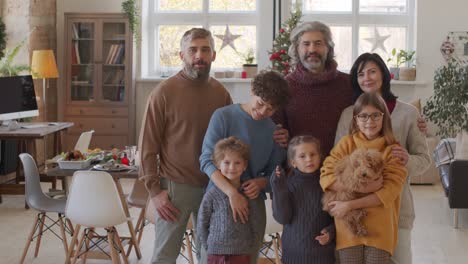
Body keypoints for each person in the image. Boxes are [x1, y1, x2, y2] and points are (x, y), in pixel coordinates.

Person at [138, 28, 232, 264]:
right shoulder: (163, 93)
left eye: (205, 49)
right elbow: (148, 145)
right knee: (164, 255)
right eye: (193, 50)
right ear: (181, 55)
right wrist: (155, 192)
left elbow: (231, 142)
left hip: (214, 185)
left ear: (213, 55)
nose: (199, 55)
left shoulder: (221, 93)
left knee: (210, 253)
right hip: (175, 188)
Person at [334, 53, 430, 264]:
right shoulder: (348, 114)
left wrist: (407, 160)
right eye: (361, 74)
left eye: (372, 71)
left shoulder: (408, 113)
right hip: (355, 209)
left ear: (384, 75)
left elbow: (424, 159)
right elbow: (336, 162)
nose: (366, 78)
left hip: (397, 207)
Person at [199, 70, 289, 263]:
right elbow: (206, 161)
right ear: (252, 90)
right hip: (219, 198)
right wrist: (232, 193)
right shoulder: (223, 116)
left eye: (271, 108)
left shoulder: (273, 131)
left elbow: (276, 172)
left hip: (252, 207)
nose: (264, 111)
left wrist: (262, 182)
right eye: (261, 103)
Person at [320, 92, 407, 264]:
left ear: (384, 118)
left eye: (376, 115)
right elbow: (325, 176)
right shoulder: (346, 144)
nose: (370, 121)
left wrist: (349, 205)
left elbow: (390, 191)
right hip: (348, 229)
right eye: (364, 116)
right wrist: (362, 188)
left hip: (380, 230)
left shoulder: (392, 149)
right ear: (356, 119)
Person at [272, 21, 354, 155]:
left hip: (343, 167)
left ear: (328, 48)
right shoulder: (284, 87)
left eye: (318, 43)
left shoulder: (348, 84)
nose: (312, 50)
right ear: (297, 49)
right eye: (306, 44)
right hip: (300, 169)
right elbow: (276, 131)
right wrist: (280, 135)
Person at [271, 135, 335, 264]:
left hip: (323, 255)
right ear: (293, 162)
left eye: (313, 154)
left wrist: (331, 233)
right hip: (293, 254)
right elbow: (282, 218)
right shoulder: (287, 185)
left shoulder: (328, 184)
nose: (309, 159)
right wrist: (278, 188)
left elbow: (338, 218)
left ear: (320, 157)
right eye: (302, 156)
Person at [197, 136, 259, 264]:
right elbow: (202, 222)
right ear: (218, 164)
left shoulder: (248, 192)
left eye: (237, 163)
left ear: (244, 166)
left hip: (242, 252)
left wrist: (250, 245)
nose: (232, 167)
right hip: (215, 252)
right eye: (226, 162)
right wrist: (208, 245)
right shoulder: (211, 195)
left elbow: (255, 222)